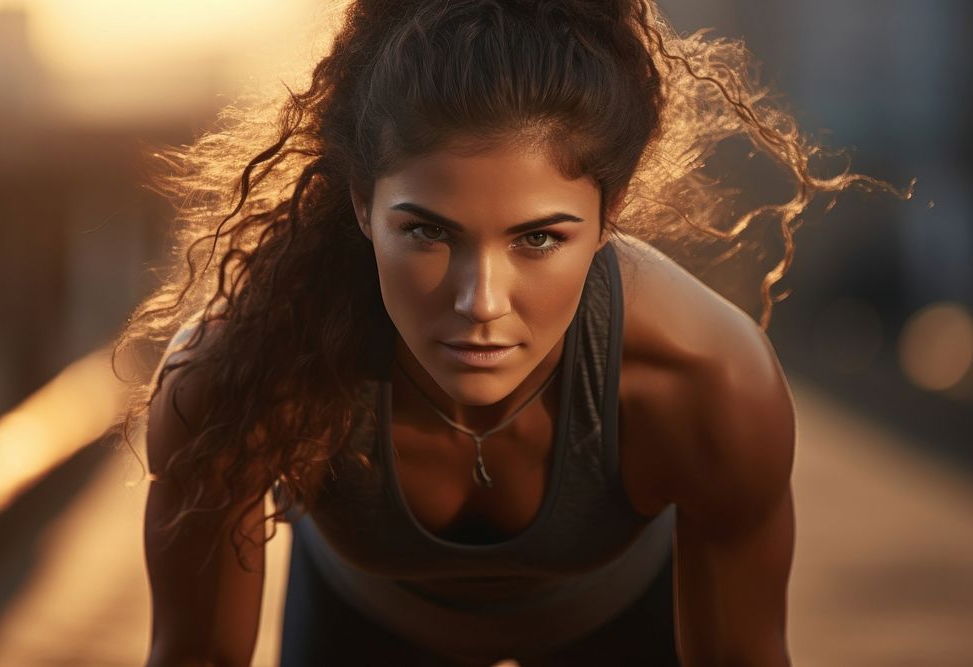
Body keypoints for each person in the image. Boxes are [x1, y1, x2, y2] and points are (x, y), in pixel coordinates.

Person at [115, 1, 895, 665]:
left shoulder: (710, 382)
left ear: (606, 213)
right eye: (426, 232)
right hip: (358, 623)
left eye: (537, 239)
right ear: (361, 203)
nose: (481, 302)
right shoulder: (235, 377)